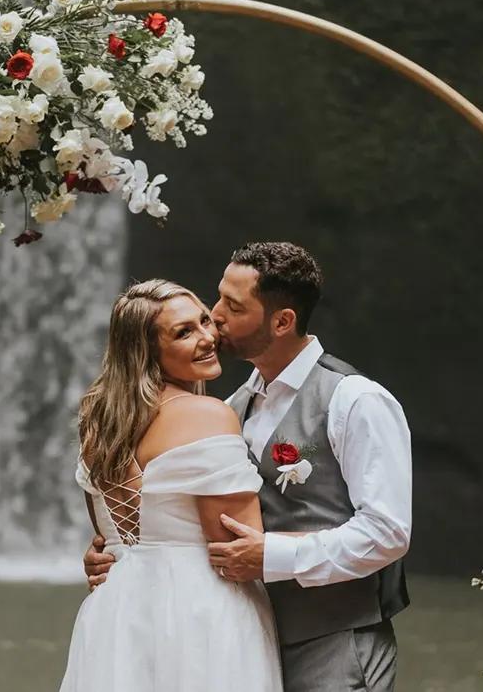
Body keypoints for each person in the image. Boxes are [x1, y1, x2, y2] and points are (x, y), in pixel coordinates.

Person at [84, 242, 412, 692]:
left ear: (281, 321)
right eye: (215, 299)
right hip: (236, 633)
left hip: (332, 641)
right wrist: (123, 557)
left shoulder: (356, 401)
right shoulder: (232, 406)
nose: (215, 316)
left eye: (231, 306)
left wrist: (271, 555)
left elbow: (388, 531)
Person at [58, 278, 283, 692]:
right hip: (198, 610)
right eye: (184, 332)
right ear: (147, 352)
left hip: (114, 611)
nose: (207, 337)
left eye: (203, 320)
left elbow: (107, 539)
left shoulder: (99, 423)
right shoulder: (207, 414)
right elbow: (234, 548)